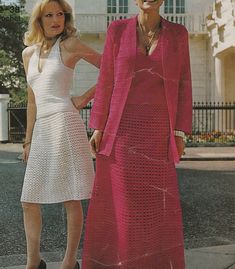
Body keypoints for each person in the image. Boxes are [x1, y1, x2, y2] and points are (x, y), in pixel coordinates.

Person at [82, 0, 192, 268]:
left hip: (158, 133)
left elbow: (184, 83)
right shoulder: (117, 31)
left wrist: (180, 131)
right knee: (124, 207)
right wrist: (98, 126)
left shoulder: (178, 34)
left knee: (154, 208)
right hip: (122, 132)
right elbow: (106, 79)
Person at [21, 1, 101, 269]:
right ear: (39, 20)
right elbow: (32, 101)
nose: (56, 20)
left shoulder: (70, 45)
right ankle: (34, 263)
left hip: (65, 124)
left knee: (70, 196)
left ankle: (69, 262)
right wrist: (28, 140)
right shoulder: (28, 54)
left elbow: (110, 69)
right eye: (49, 15)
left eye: (60, 14)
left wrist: (83, 98)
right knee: (29, 200)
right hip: (42, 129)